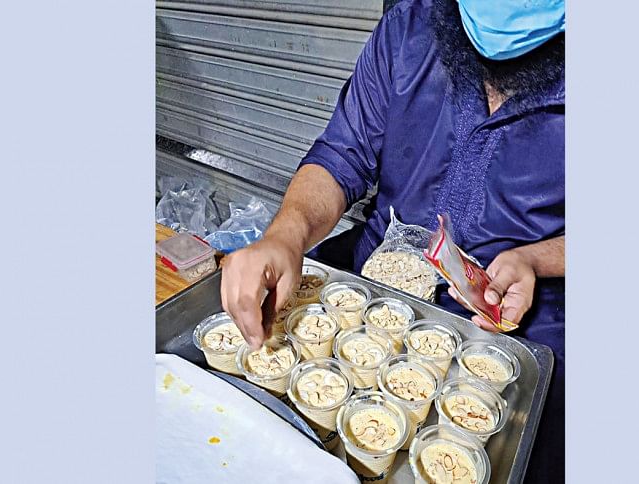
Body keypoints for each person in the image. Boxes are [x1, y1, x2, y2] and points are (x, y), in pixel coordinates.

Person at [220, 0, 565, 482]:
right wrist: (285, 235)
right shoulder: (410, 27)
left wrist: (537, 258)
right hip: (376, 283)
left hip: (519, 318)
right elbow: (342, 154)